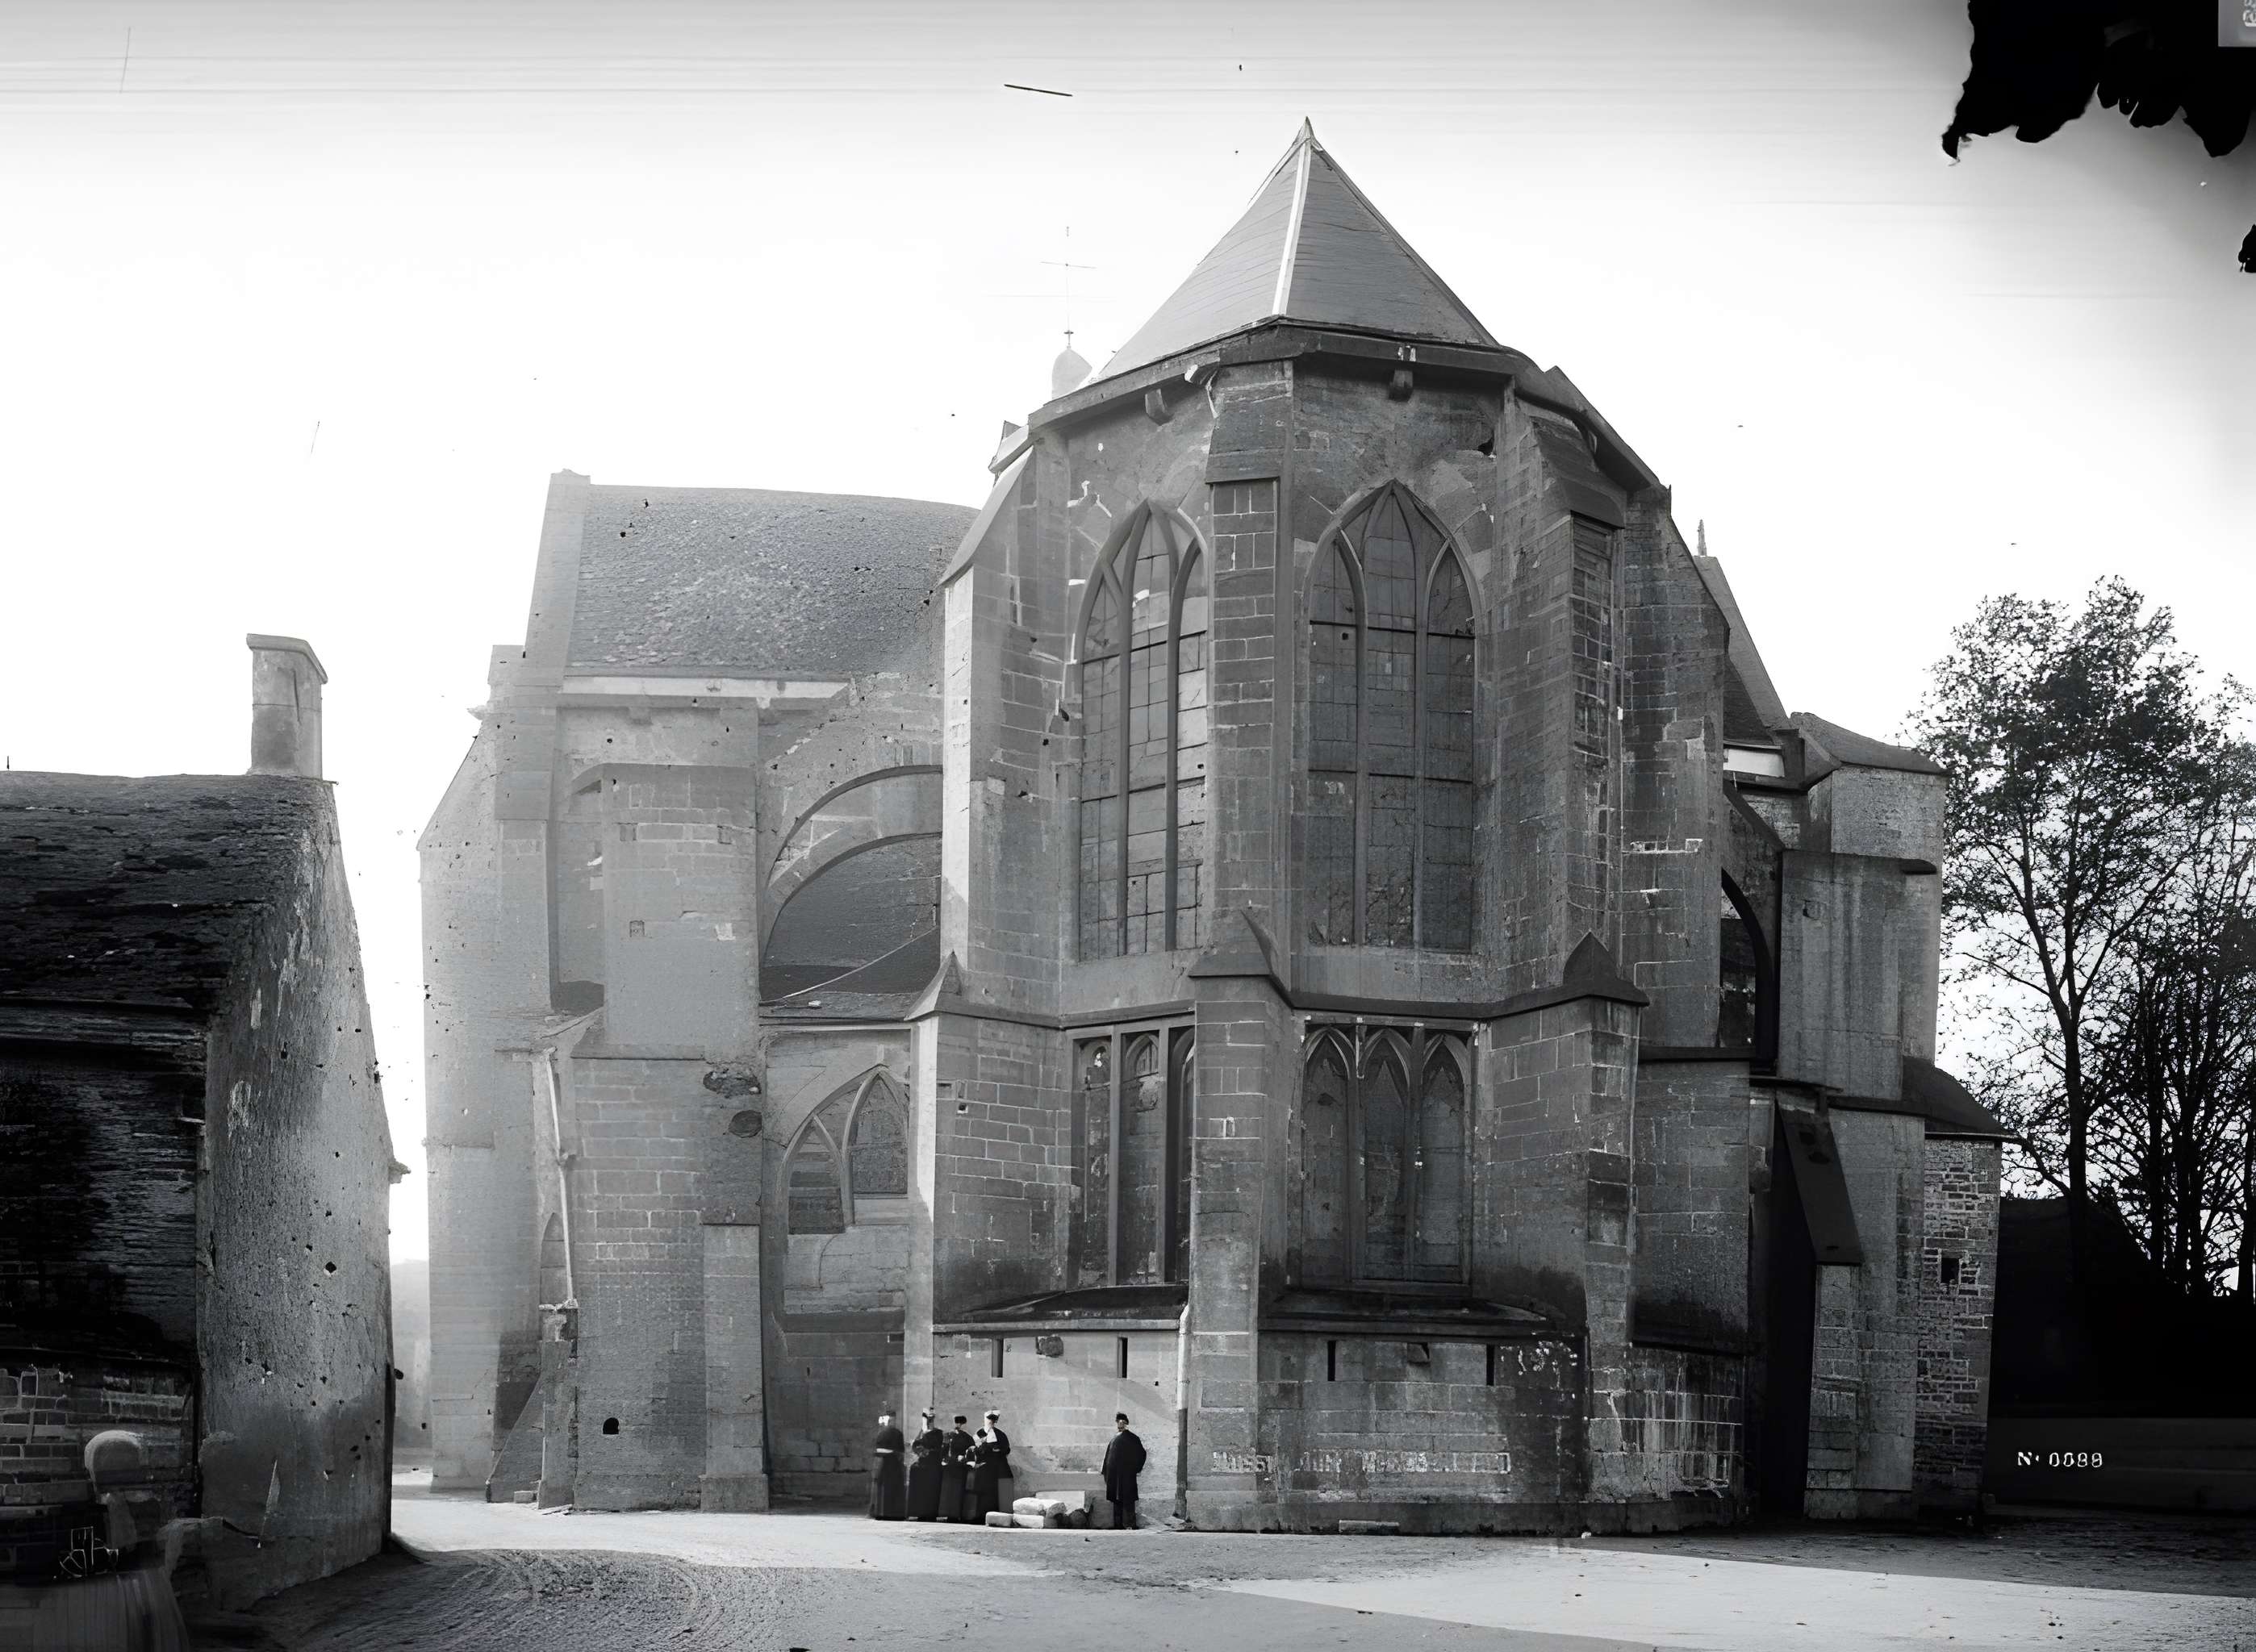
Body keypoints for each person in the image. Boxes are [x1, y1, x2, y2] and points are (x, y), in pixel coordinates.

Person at [1101, 1412, 1147, 1530]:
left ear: (1126, 1423)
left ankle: (1129, 1524)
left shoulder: (1133, 1438)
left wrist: (1136, 1468)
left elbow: (1142, 1454)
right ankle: (1119, 1524)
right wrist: (1106, 1472)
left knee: (1128, 1499)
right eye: (1119, 1421)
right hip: (1115, 1475)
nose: (1120, 1423)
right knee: (1117, 1500)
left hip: (1126, 1475)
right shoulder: (1114, 1439)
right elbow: (1108, 1457)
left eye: (1123, 1421)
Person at [968, 1408, 1013, 1523]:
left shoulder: (1000, 1434)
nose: (991, 1422)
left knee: (996, 1493)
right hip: (984, 1468)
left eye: (993, 1420)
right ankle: (980, 1516)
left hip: (997, 1468)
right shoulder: (979, 1434)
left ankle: (996, 1516)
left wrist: (997, 1449)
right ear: (985, 1419)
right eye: (989, 1419)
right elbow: (974, 1450)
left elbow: (1006, 1449)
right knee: (983, 1492)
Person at [905, 1408, 946, 1521]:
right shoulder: (922, 1432)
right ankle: (918, 1512)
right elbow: (915, 1446)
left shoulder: (938, 1433)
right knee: (919, 1487)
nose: (929, 1423)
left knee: (931, 1490)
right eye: (928, 1420)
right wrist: (921, 1452)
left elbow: (937, 1447)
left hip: (933, 1465)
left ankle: (930, 1513)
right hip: (922, 1465)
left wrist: (927, 1449)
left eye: (931, 1420)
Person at [868, 1410, 907, 1520]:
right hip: (889, 1465)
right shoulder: (892, 1433)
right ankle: (886, 1513)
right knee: (885, 1489)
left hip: (888, 1465)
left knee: (886, 1489)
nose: (892, 1422)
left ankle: (883, 1513)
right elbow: (900, 1452)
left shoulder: (885, 1433)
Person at [938, 1414, 976, 1523]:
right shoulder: (948, 1436)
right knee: (948, 1491)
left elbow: (971, 1453)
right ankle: (948, 1514)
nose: (959, 1425)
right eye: (957, 1423)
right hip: (950, 1467)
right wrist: (945, 1460)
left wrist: (965, 1460)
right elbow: (943, 1451)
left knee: (958, 1492)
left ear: (965, 1424)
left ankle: (957, 1515)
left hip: (961, 1468)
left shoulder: (968, 1438)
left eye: (961, 1423)